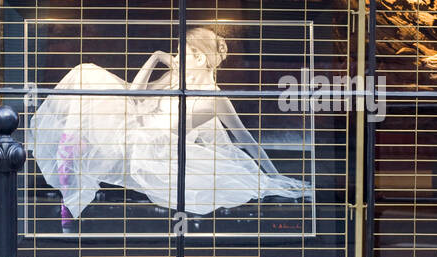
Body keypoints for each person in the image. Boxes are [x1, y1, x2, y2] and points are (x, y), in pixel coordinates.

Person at [27, 27, 312, 228]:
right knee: (86, 72)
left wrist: (275, 177)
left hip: (156, 149)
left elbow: (245, 140)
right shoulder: (176, 80)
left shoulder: (215, 99)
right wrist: (156, 58)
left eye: (181, 54)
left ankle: (75, 162)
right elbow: (134, 96)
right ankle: (72, 161)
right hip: (138, 128)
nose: (176, 59)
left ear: (199, 59)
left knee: (95, 94)